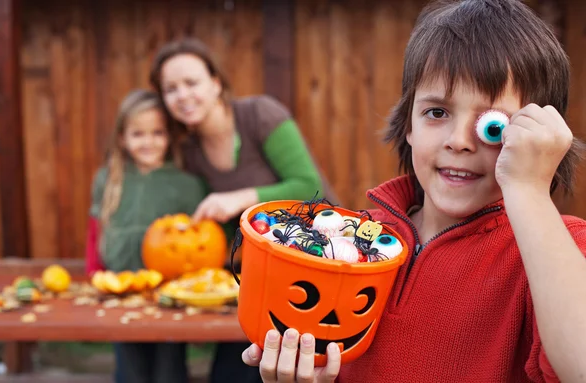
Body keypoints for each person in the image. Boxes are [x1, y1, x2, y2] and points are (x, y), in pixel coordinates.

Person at [241, 0, 586, 382]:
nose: (458, 141)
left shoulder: (559, 252)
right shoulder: (354, 240)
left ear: (540, 138)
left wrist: (529, 191)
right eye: (437, 113)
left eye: (493, 126)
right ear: (409, 124)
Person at [149, 38, 336, 383]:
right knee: (229, 372)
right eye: (170, 88)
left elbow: (312, 189)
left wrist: (238, 198)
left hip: (314, 262)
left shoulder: (260, 115)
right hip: (257, 277)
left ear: (216, 83)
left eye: (191, 82)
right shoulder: (189, 151)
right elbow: (216, 228)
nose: (182, 95)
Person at [85, 89, 206, 383]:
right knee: (130, 370)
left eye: (157, 133)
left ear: (169, 137)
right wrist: (95, 274)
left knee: (170, 371)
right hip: (122, 292)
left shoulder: (186, 185)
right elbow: (96, 229)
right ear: (122, 138)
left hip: (168, 295)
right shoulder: (109, 178)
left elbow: (200, 240)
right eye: (138, 134)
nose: (148, 142)